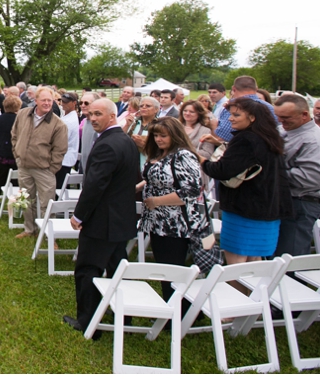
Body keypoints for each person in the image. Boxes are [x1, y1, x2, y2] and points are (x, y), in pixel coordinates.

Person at [63, 98, 140, 336]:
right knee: (117, 269)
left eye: (98, 114)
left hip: (103, 221)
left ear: (113, 116)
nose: (92, 118)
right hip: (121, 219)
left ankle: (88, 322)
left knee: (87, 269)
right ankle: (122, 315)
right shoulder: (126, 140)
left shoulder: (108, 144)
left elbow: (95, 186)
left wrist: (79, 215)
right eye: (89, 114)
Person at [201, 97, 291, 264]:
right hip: (268, 207)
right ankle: (253, 291)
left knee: (236, 261)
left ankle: (236, 291)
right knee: (255, 260)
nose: (230, 118)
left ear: (252, 118)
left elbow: (223, 170)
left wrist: (202, 161)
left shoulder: (245, 139)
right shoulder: (269, 137)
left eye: (236, 115)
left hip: (244, 209)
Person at [138, 117, 209, 303]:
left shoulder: (184, 156)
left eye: (163, 136)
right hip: (157, 221)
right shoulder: (161, 153)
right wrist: (138, 188)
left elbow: (191, 191)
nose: (158, 139)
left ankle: (178, 311)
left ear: (175, 135)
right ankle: (175, 306)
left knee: (173, 270)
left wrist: (157, 201)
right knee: (164, 268)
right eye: (155, 135)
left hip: (176, 224)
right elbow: (158, 178)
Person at [273, 94, 320, 257]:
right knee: (278, 255)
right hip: (286, 202)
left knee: (290, 256)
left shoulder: (315, 141)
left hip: (300, 204)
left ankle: (292, 282)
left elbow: (315, 177)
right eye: (279, 117)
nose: (281, 122)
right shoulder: (286, 130)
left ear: (304, 115)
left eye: (286, 118)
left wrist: (272, 172)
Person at [11, 87, 68, 238]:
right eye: (44, 100)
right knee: (26, 200)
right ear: (36, 101)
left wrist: (52, 169)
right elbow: (14, 134)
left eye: (50, 100)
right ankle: (29, 229)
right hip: (24, 165)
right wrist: (17, 154)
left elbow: (60, 150)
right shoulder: (23, 114)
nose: (47, 103)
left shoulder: (58, 124)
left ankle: (49, 235)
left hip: (44, 170)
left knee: (46, 203)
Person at [179, 100, 215, 190]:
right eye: (185, 111)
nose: (187, 113)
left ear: (199, 114)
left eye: (192, 111)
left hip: (195, 172)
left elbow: (207, 153)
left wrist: (186, 151)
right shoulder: (176, 127)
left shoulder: (205, 130)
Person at [125, 96, 159, 169]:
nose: (144, 107)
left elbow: (163, 149)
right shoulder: (134, 122)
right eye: (141, 106)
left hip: (149, 164)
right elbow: (122, 138)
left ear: (156, 109)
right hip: (131, 164)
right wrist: (127, 125)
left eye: (148, 106)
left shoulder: (159, 125)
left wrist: (144, 145)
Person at [58, 92, 81, 190]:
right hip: (65, 157)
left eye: (66, 102)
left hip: (64, 158)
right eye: (62, 101)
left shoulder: (69, 121)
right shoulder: (67, 116)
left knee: (59, 188)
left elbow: (61, 140)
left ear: (74, 103)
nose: (63, 104)